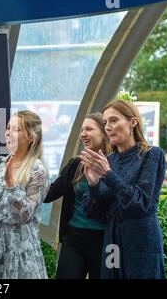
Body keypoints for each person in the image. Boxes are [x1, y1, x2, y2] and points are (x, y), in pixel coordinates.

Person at [80, 99, 166, 279]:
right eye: (105, 123)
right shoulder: (109, 160)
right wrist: (94, 185)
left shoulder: (152, 154)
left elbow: (140, 203)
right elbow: (94, 213)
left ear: (133, 122)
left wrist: (108, 175)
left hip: (141, 239)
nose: (108, 127)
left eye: (113, 120)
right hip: (112, 242)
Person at [0, 110, 49, 279]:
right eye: (7, 127)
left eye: (16, 129)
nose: (8, 133)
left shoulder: (38, 170)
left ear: (31, 137)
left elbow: (24, 215)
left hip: (21, 257)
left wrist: (11, 184)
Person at [44, 113, 108, 279]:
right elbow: (49, 193)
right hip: (74, 239)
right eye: (81, 130)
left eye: (89, 129)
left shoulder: (114, 164)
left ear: (104, 132)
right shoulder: (75, 164)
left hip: (105, 241)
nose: (83, 134)